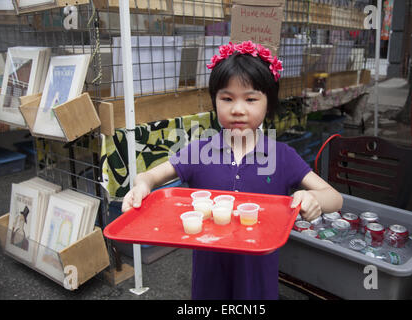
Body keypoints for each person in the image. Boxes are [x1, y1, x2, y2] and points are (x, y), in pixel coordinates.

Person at [122, 41, 343, 300]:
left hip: (258, 279)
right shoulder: (198, 152)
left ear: (268, 104)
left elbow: (335, 198)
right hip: (209, 278)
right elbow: (150, 176)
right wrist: (142, 185)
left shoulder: (282, 156)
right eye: (227, 98)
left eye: (250, 99)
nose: (238, 109)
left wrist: (314, 199)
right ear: (214, 102)